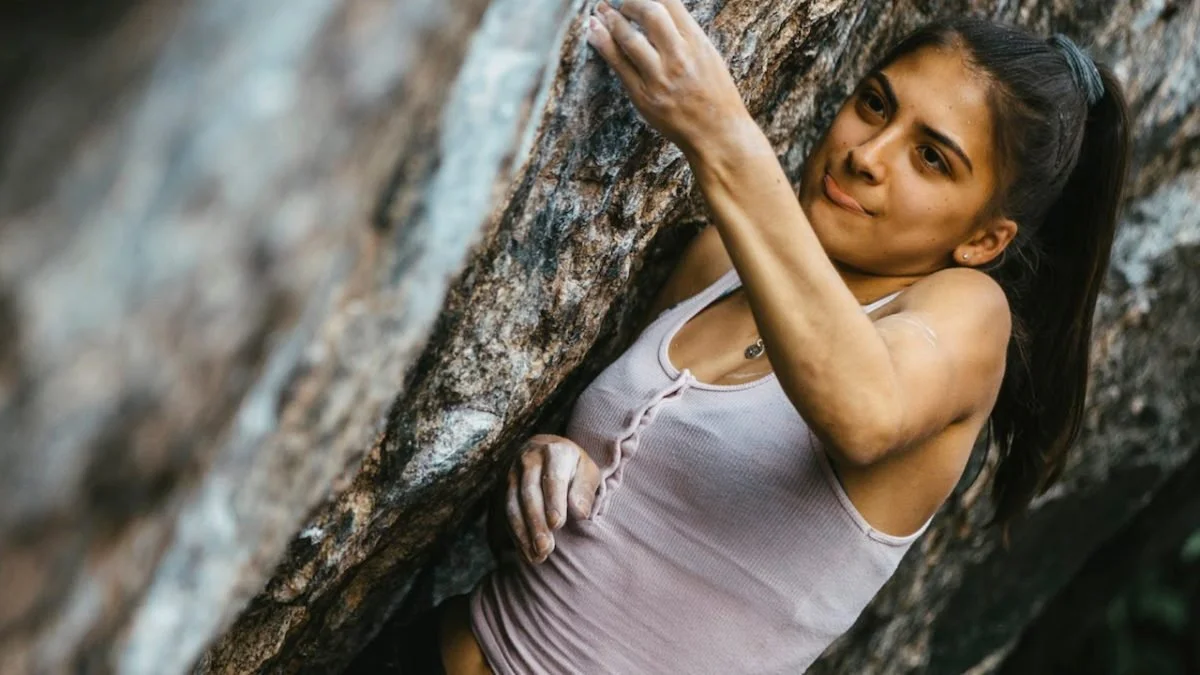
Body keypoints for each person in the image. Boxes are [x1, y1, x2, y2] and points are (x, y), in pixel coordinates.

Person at [400, 3, 1131, 673]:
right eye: (874, 104)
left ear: (984, 237)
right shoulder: (719, 260)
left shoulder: (968, 314)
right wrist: (546, 467)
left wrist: (721, 134)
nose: (867, 154)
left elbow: (864, 410)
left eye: (931, 157)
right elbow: (570, 551)